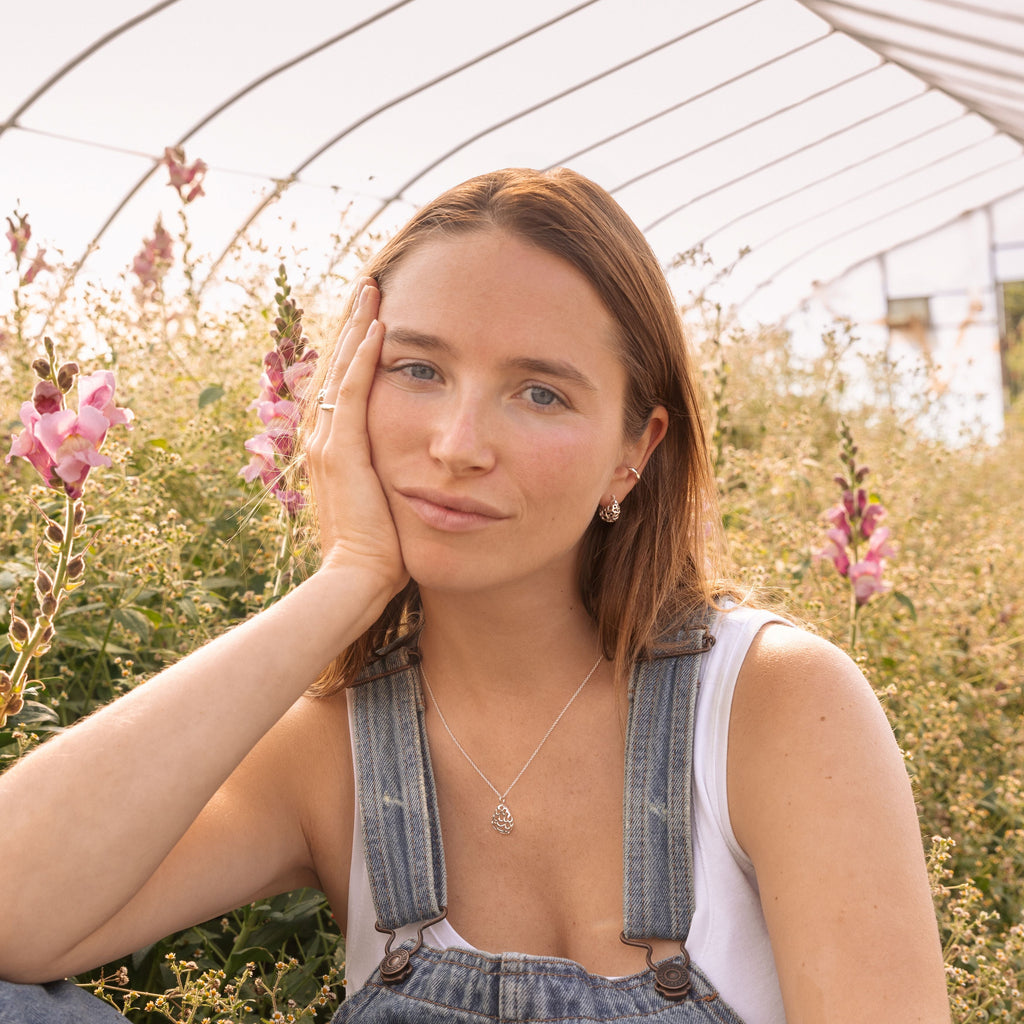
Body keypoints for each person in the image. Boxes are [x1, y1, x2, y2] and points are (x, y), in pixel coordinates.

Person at [0, 167, 950, 1023]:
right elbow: (13, 920)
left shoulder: (771, 704)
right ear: (346, 390)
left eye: (540, 393)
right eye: (417, 369)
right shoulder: (336, 750)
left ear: (636, 450)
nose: (457, 444)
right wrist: (346, 584)